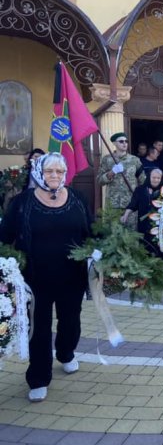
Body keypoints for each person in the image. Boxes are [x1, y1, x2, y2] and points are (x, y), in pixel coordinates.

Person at [0, 153, 94, 402]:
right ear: (39, 172)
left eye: (59, 172)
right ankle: (39, 377)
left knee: (70, 321)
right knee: (38, 328)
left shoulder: (77, 199)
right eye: (49, 171)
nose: (54, 176)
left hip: (72, 276)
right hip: (34, 279)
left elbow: (92, 231)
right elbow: (5, 236)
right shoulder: (22, 202)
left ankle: (66, 353)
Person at [97, 132, 144, 228]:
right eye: (121, 141)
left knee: (130, 235)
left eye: (126, 141)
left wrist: (141, 197)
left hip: (130, 204)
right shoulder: (107, 160)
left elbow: (143, 180)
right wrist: (111, 173)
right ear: (114, 143)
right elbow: (99, 181)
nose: (125, 143)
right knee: (112, 235)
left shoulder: (134, 160)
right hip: (113, 205)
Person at [120, 168, 163, 260]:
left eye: (158, 178)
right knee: (146, 250)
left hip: (161, 227)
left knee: (161, 251)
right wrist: (125, 216)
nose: (156, 180)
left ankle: (161, 268)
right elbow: (132, 205)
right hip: (144, 226)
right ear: (149, 177)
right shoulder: (140, 190)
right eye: (153, 177)